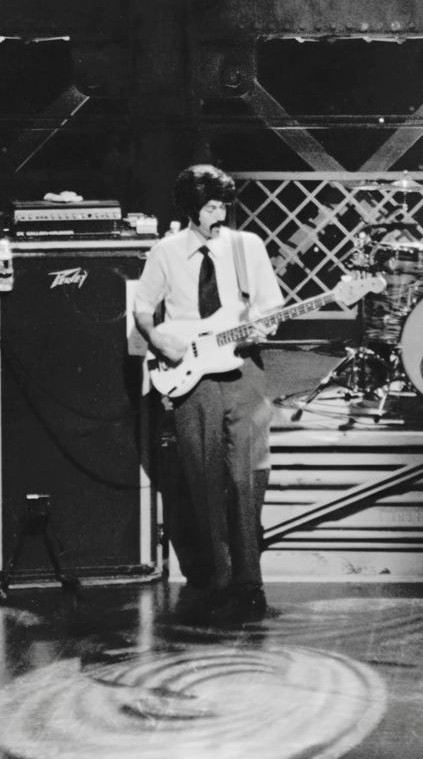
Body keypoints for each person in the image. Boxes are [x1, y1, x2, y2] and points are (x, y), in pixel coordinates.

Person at [133, 165, 284, 625]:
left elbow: (271, 306)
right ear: (191, 207)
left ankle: (250, 585)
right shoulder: (165, 251)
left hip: (243, 371)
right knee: (202, 480)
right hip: (191, 376)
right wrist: (159, 339)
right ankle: (218, 583)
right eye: (211, 206)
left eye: (223, 206)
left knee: (247, 478)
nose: (219, 215)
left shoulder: (247, 246)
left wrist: (264, 325)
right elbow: (143, 307)